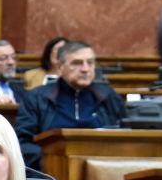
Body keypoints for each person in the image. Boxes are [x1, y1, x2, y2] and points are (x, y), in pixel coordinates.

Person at [15, 40, 125, 169]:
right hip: (51, 170)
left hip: (103, 169)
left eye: (90, 63)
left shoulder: (108, 97)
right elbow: (22, 142)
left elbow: (124, 137)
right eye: (77, 63)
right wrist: (49, 161)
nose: (85, 69)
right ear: (60, 68)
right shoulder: (37, 98)